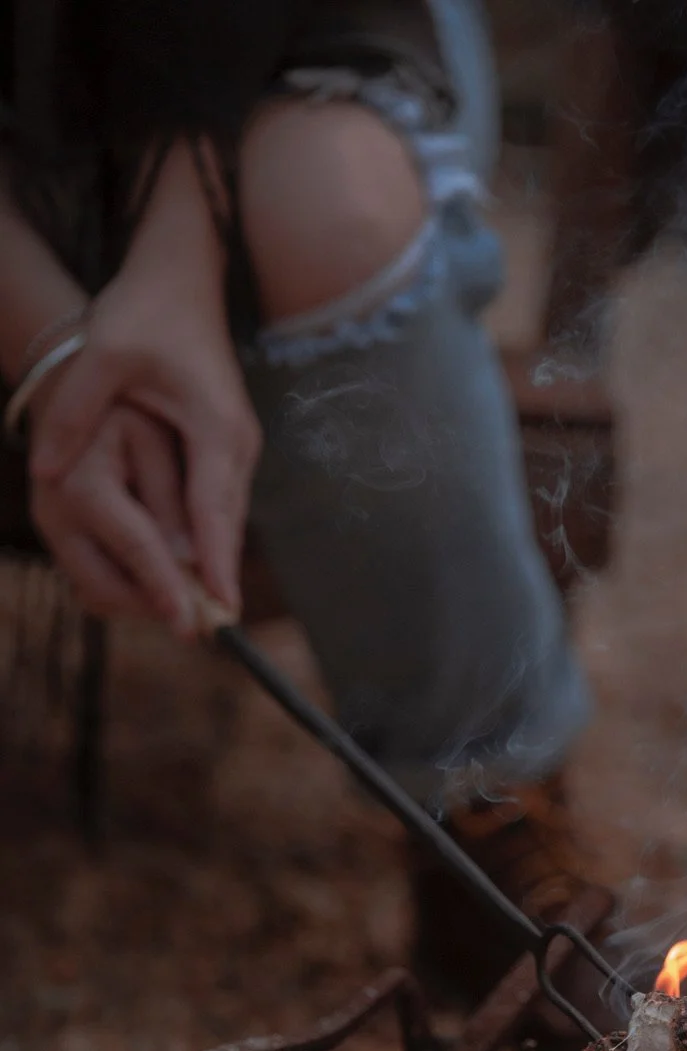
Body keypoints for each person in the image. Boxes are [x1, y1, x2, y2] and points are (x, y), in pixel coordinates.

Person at [0, 0, 594, 981]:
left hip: (292, 39)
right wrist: (65, 364)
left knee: (325, 203)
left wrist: (175, 261)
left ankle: (483, 783)